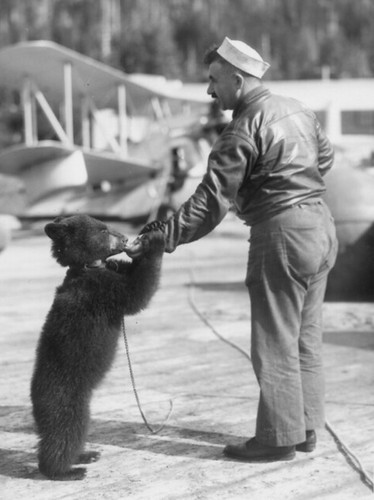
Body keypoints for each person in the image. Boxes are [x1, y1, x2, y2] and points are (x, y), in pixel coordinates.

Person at [126, 37, 338, 462]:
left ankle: (278, 439)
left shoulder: (241, 129)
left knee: (275, 341)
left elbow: (209, 203)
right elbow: (325, 159)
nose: (209, 91)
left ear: (238, 81)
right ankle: (305, 428)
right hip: (321, 225)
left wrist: (161, 237)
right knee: (305, 337)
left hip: (282, 234)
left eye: (213, 80)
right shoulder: (298, 109)